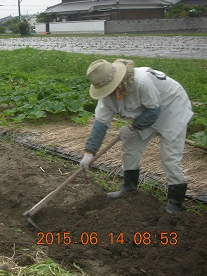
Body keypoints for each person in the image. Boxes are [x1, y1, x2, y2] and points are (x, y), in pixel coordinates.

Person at [79, 59, 193, 214]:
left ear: (118, 82)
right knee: (130, 147)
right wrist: (89, 152)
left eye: (110, 89)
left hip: (171, 107)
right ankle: (129, 188)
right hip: (145, 111)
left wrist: (133, 127)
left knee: (170, 156)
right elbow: (100, 124)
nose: (109, 93)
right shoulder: (106, 97)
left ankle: (175, 202)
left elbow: (153, 111)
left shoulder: (141, 81)